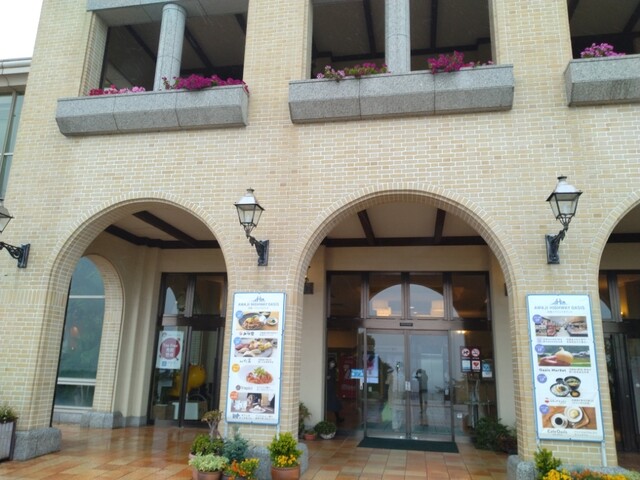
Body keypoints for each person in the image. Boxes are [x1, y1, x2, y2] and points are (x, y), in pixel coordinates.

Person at [387, 361, 406, 432]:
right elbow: (387, 382)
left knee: (400, 412)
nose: (400, 368)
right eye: (399, 367)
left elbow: (404, 386)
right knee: (394, 412)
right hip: (394, 396)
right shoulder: (392, 374)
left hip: (400, 396)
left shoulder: (403, 375)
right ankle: (395, 426)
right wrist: (389, 375)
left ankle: (399, 425)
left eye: (401, 367)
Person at [326, 359, 344, 423]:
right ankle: (336, 418)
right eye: (331, 362)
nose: (332, 364)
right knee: (330, 403)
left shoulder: (334, 370)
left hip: (332, 389)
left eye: (333, 363)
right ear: (328, 363)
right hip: (327, 389)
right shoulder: (326, 370)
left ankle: (338, 418)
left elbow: (334, 380)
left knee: (335, 403)